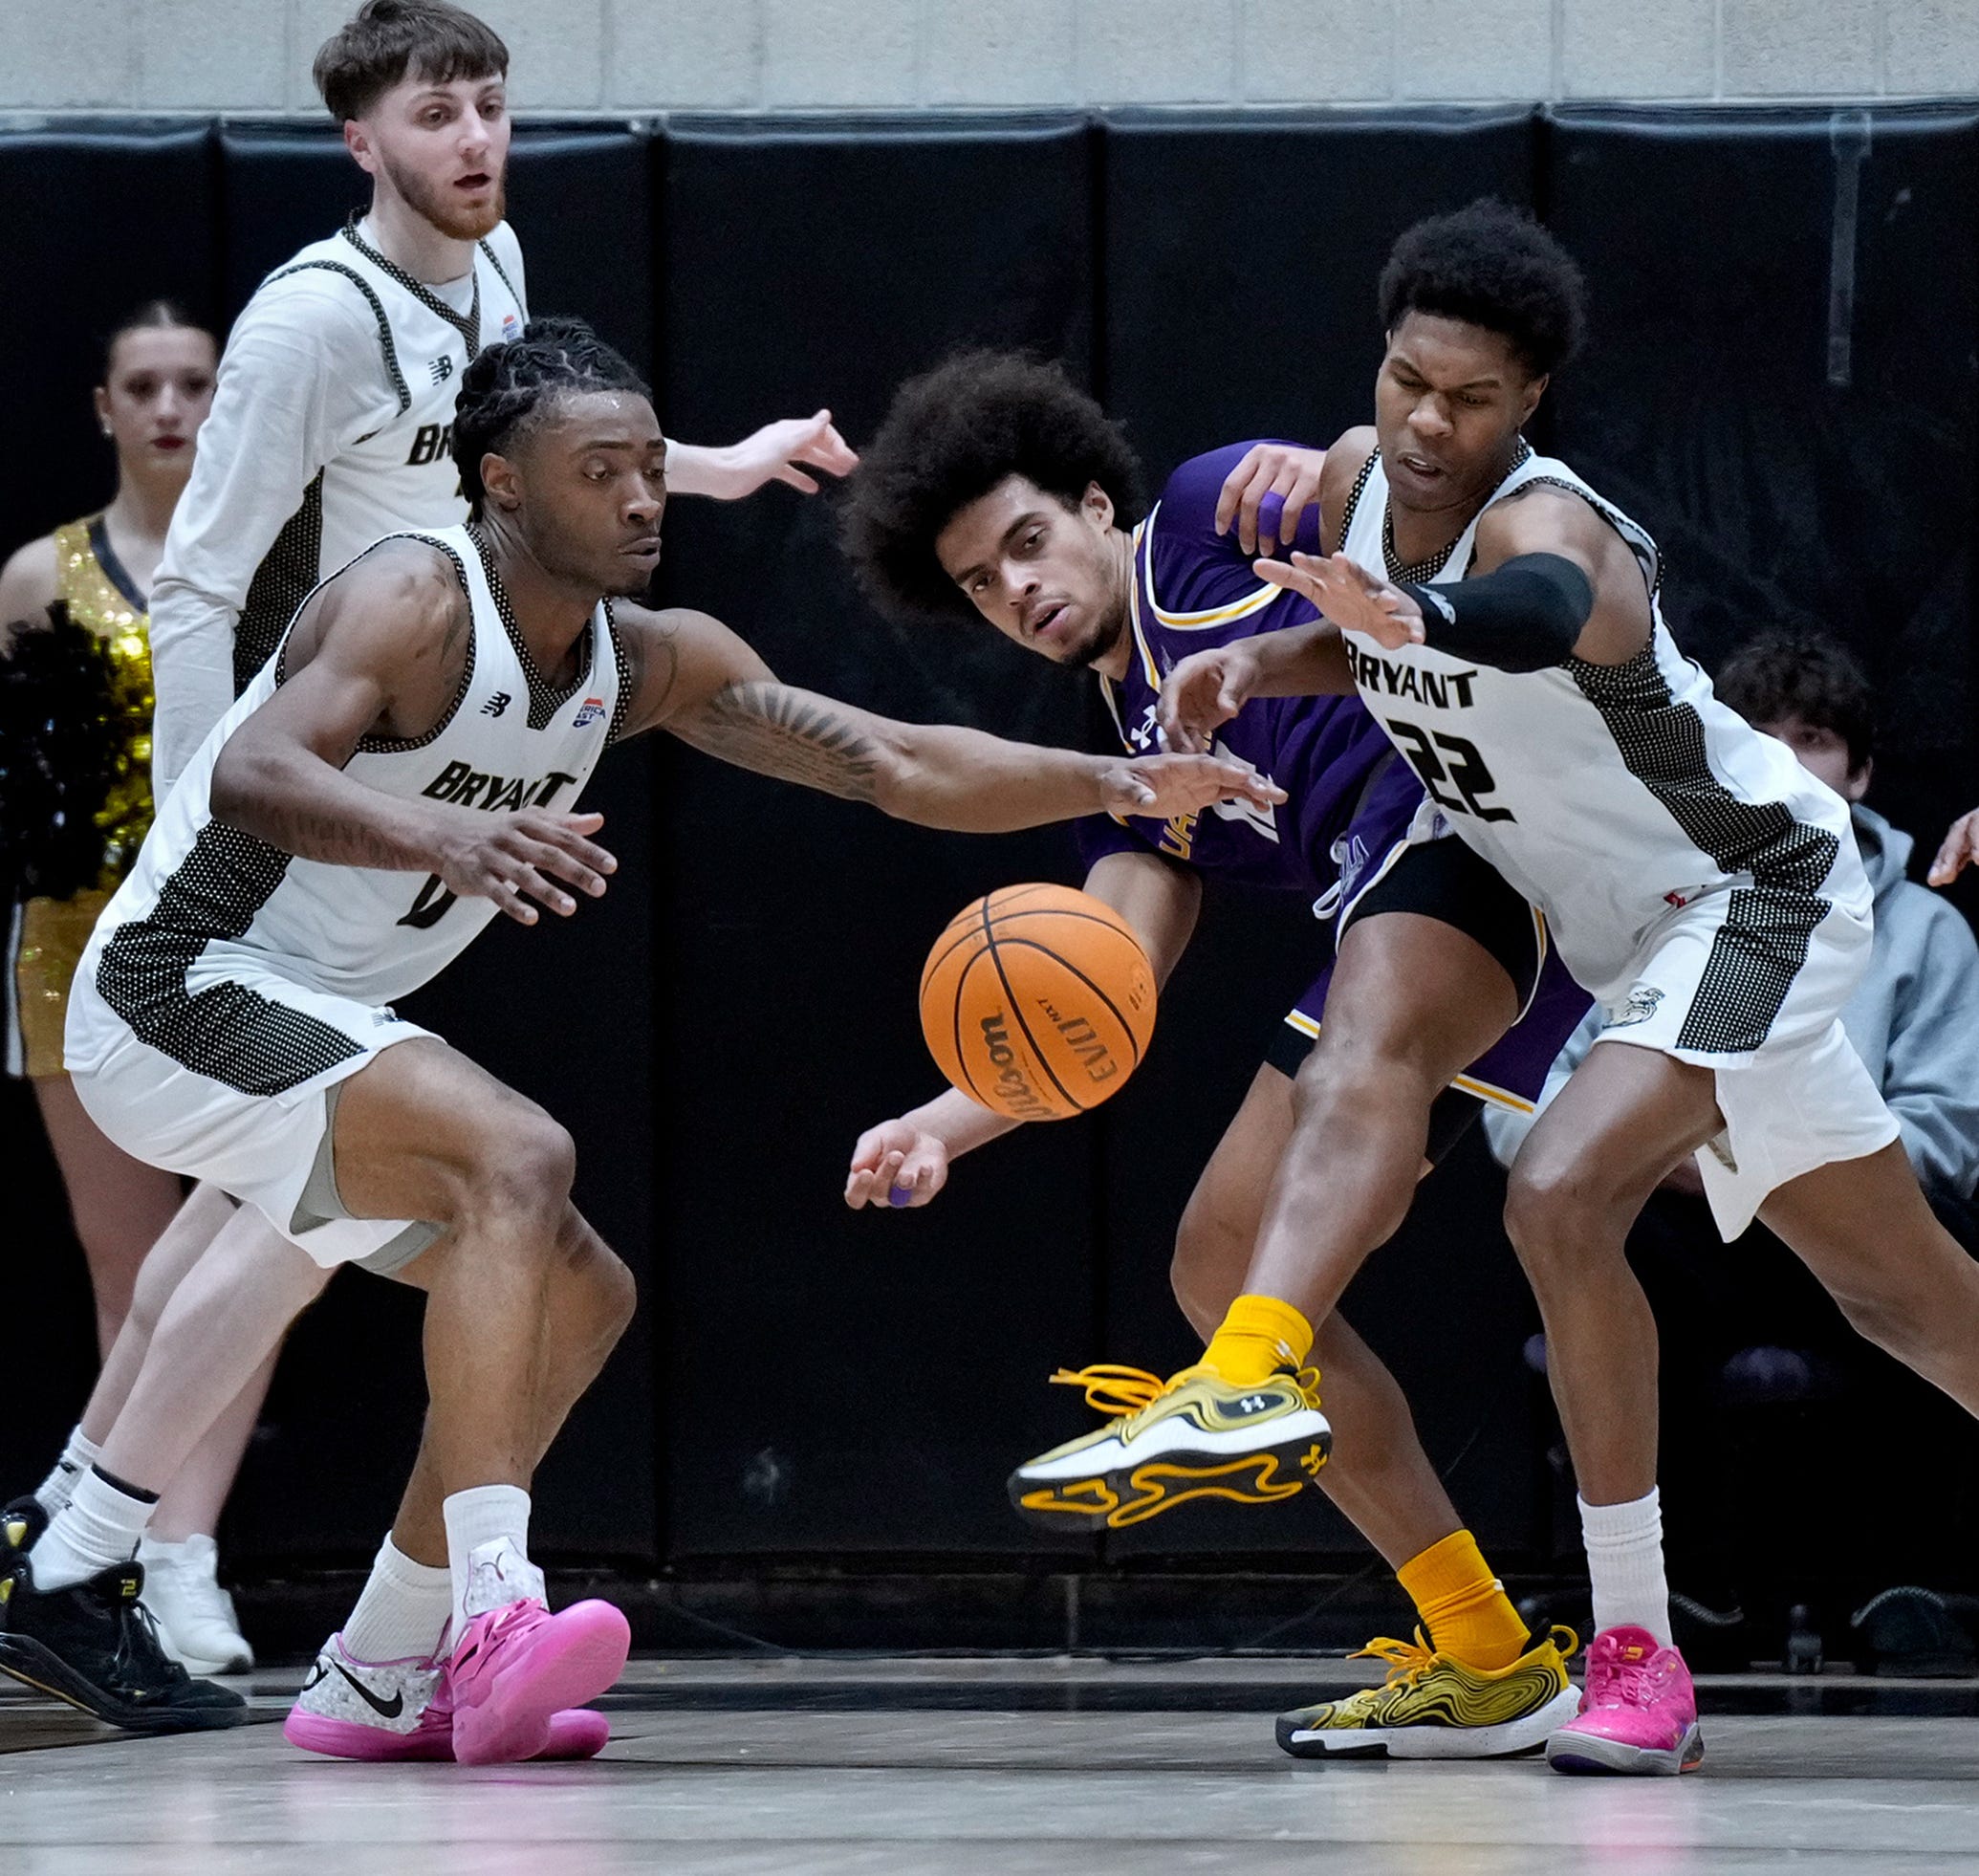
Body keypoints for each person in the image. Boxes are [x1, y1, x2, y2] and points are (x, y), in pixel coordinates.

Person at [0, 318, 1277, 1755]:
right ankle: (493, 1613)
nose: (641, 497)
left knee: (577, 1291)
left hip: (318, 1019)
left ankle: (363, 1664)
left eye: (651, 468)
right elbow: (251, 767)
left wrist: (1114, 772)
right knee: (515, 1155)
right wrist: (447, 830)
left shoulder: (644, 660)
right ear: (499, 482)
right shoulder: (415, 599)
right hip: (174, 983)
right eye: (599, 470)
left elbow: (898, 762)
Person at [4, 0, 859, 1704]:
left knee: (280, 1229)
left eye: (492, 107)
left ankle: (81, 1558)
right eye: (437, 114)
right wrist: (208, 828)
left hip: (407, 789)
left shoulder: (497, 267)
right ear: (361, 142)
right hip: (292, 814)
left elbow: (533, 461)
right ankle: (170, 1574)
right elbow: (196, 577)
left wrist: (720, 466)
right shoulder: (306, 324)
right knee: (285, 1224)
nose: (476, 140)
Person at [1159, 198, 1979, 1776]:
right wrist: (1267, 661)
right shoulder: (1357, 484)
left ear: (1527, 403)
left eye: (1468, 399)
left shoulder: (1560, 535)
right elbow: (1391, 642)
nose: (1426, 420)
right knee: (1906, 1296)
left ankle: (1634, 1650)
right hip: (1640, 927)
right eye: (1408, 379)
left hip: (1761, 893)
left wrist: (1411, 617)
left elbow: (1508, 622)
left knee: (1558, 1188)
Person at [836, 350, 1590, 1760]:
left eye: (1026, 543)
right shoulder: (1120, 759)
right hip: (1407, 914)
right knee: (1212, 1258)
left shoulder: (1197, 518)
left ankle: (1247, 1378)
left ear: (1090, 500)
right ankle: (1486, 1654)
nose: (1018, 589)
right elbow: (1098, 993)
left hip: (1499, 835)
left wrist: (1335, 451)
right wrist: (945, 1120)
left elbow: (1392, 496)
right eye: (983, 586)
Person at [1486, 629, 1979, 1639]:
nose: (1790, 761)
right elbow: (1521, 1103)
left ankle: (1888, 1583)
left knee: (1921, 1304)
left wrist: (1715, 1139)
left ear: (1861, 770)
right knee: (1564, 1200)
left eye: (1815, 739)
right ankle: (1652, 1618)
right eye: (1763, 738)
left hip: (1836, 1176)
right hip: (1685, 1222)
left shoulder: (1913, 923)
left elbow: (1949, 1129)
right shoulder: (1634, 887)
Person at [0, 303, 271, 1677]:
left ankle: (183, 1555)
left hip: (232, 944)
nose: (171, 406)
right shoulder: (38, 580)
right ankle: (105, 1554)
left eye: (196, 384)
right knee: (133, 1264)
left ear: (228, 403)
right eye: (144, 386)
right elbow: (24, 796)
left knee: (258, 1242)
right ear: (104, 408)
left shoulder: (274, 566)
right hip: (75, 948)